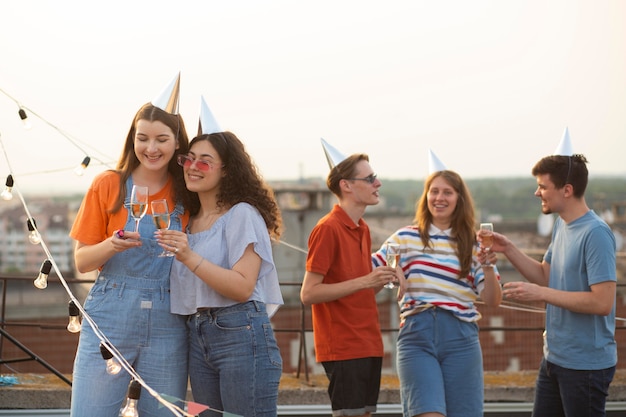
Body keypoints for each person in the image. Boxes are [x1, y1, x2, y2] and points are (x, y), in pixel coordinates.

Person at [69, 74, 193, 416]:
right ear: (132, 139)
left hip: (170, 322)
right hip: (110, 316)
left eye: (162, 139)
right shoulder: (107, 185)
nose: (151, 148)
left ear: (177, 143)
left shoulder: (189, 194)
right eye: (143, 138)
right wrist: (112, 245)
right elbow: (81, 261)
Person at [157, 97, 284, 417]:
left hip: (240, 334)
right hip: (197, 337)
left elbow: (243, 286)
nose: (193, 167)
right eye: (189, 159)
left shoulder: (242, 214)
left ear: (227, 170)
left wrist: (188, 256)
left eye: (205, 161)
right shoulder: (188, 220)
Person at [492, 149, 617, 417]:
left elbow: (602, 302)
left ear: (567, 190)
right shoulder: (562, 224)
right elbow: (545, 276)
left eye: (542, 186)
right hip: (553, 360)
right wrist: (508, 248)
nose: (537, 193)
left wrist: (542, 293)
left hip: (584, 367)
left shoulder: (596, 233)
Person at [372, 163, 502, 417]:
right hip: (416, 336)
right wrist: (392, 270)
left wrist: (487, 268)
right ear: (426, 196)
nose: (439, 198)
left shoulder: (474, 245)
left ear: (459, 199)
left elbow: (493, 300)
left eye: (447, 192)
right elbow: (367, 270)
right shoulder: (404, 238)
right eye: (434, 191)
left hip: (461, 340)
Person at [300, 139, 396, 417]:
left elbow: (356, 289)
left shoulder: (362, 228)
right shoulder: (327, 229)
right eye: (370, 178)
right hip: (343, 346)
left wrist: (377, 281)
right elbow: (308, 294)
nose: (377, 183)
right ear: (347, 185)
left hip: (369, 342)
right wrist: (366, 281)